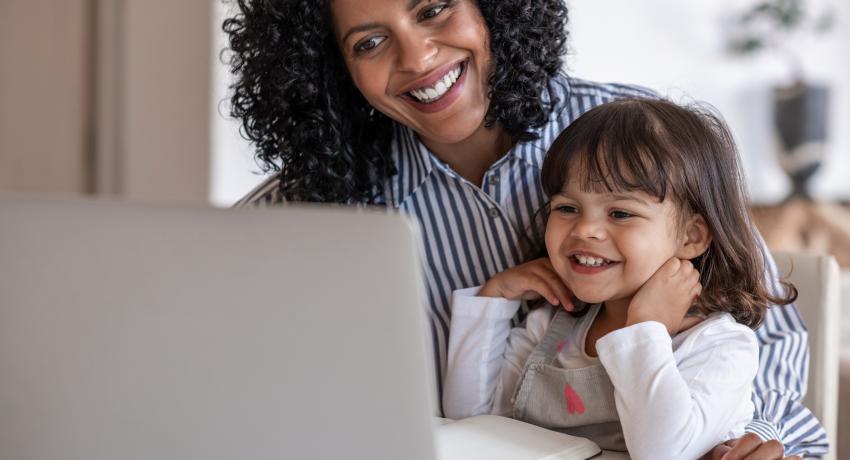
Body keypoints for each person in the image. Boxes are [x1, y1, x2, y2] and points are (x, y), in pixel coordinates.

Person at [223, 0, 827, 457]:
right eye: (370, 42)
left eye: (434, 8)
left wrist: (757, 433)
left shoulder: (643, 139)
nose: (416, 59)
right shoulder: (301, 212)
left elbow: (767, 334)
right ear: (332, 71)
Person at [442, 98, 797, 459]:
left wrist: (645, 329)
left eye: (621, 213)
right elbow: (470, 419)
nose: (585, 230)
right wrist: (494, 298)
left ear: (690, 236)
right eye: (567, 208)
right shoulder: (551, 327)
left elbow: (662, 453)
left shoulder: (718, 346)